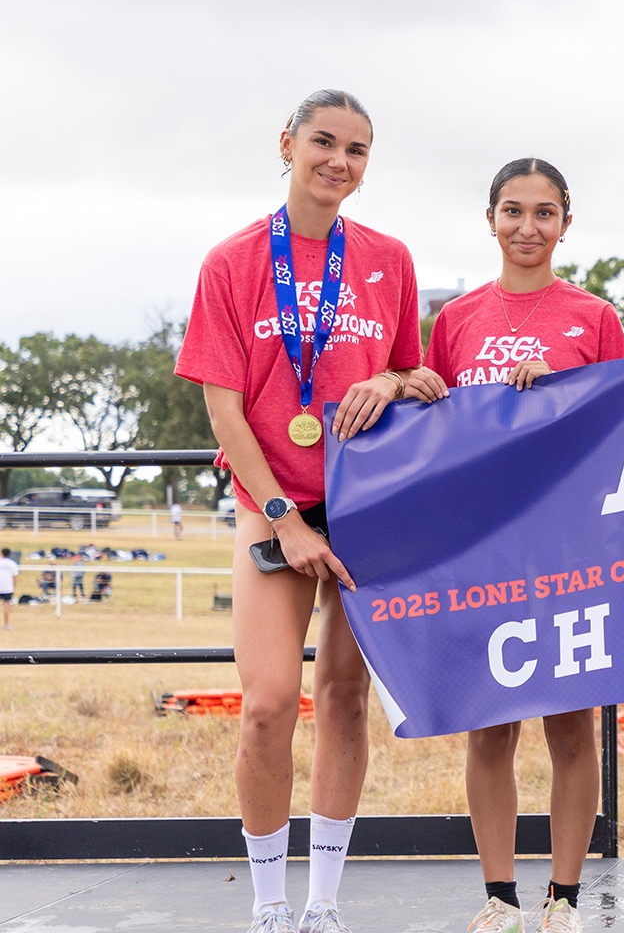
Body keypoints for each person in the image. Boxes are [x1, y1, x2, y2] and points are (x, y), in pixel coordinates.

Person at [176, 89, 421, 933]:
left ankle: (323, 903)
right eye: (323, 142)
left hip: (367, 506)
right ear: (287, 143)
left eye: (357, 149)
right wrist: (283, 517)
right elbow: (223, 410)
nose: (338, 162)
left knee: (344, 696)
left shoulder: (388, 258)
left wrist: (390, 380)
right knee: (269, 703)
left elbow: (412, 373)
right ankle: (269, 903)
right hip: (272, 506)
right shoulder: (233, 261)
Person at [403, 159, 624, 933]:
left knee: (571, 728)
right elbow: (436, 436)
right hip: (483, 552)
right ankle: (498, 896)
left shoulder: (595, 317)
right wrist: (417, 387)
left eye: (543, 212)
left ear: (565, 222)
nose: (527, 227)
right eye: (512, 210)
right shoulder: (456, 319)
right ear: (491, 219)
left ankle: (564, 899)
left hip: (571, 551)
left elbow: (621, 429)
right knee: (489, 724)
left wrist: (561, 395)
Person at [0, 547, 17, 630]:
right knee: (6, 605)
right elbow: (14, 577)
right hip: (7, 587)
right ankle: (6, 624)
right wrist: (13, 587)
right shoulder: (12, 564)